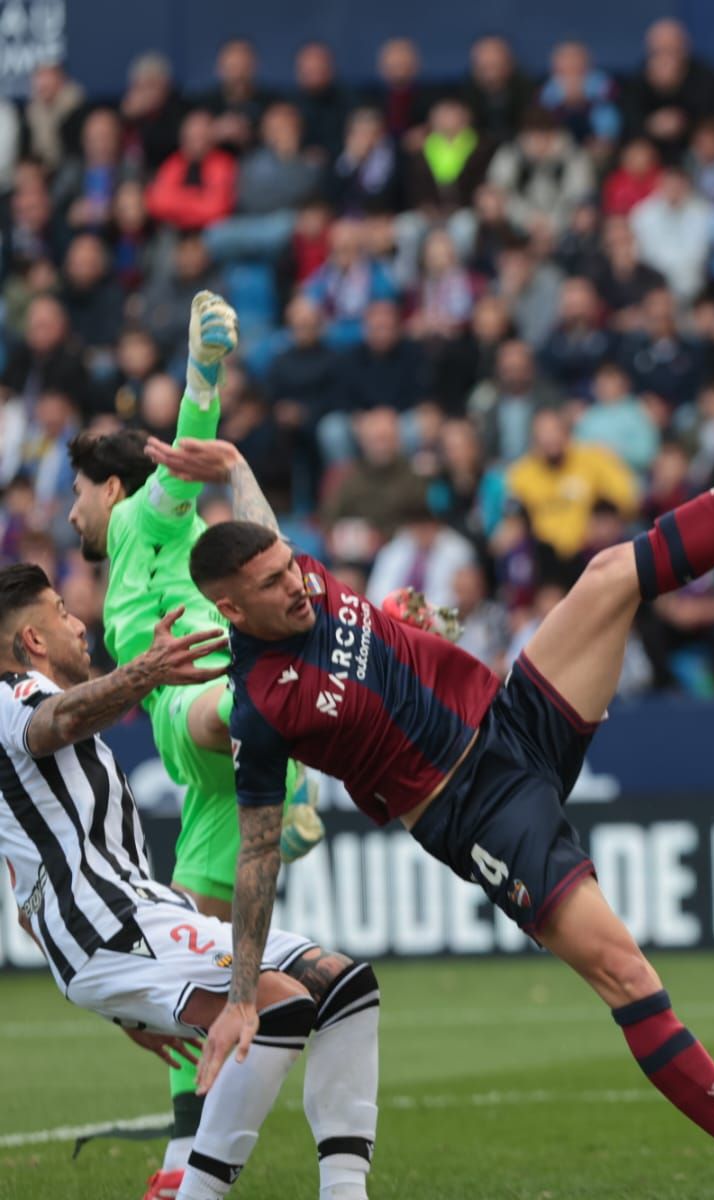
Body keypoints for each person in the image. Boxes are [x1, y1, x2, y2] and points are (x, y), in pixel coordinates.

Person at [168, 355, 714, 1196]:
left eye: (291, 565)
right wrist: (242, 993)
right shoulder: (262, 705)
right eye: (274, 585)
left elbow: (260, 530)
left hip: (507, 722)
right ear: (232, 610)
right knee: (624, 971)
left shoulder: (293, 572)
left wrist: (239, 466)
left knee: (610, 574)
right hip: (475, 811)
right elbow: (257, 852)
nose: (296, 583)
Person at [0, 565, 380, 1200]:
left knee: (345, 988)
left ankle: (345, 1192)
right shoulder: (12, 696)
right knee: (276, 1006)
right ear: (33, 640)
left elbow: (25, 907)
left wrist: (123, 1005)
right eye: (63, 611)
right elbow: (56, 723)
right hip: (112, 925)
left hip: (129, 923)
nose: (78, 623)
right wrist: (146, 671)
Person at [64, 293, 323, 1191]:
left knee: (215, 712)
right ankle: (186, 1165)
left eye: (75, 495)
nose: (70, 517)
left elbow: (178, 463)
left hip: (200, 699)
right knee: (203, 970)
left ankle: (281, 766)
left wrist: (202, 368)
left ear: (107, 490)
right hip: (211, 786)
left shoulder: (143, 520)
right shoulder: (181, 547)